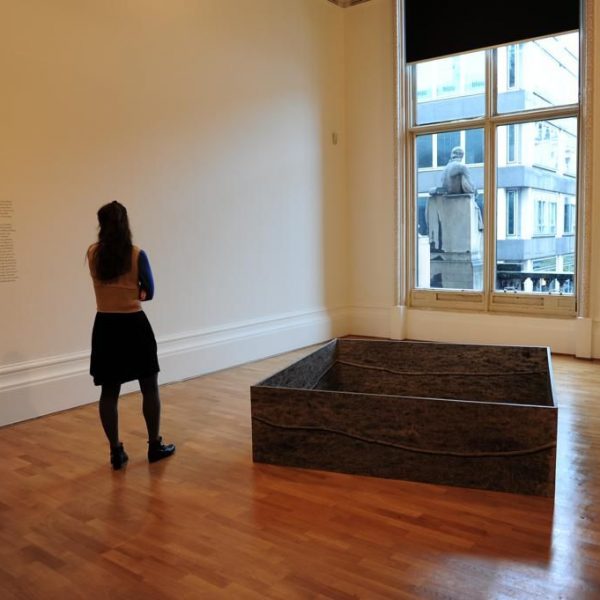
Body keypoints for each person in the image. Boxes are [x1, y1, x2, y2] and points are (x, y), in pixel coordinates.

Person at [87, 201, 175, 470]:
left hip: (105, 327)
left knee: (109, 392)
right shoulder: (137, 254)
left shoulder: (92, 253)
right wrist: (136, 291)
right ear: (125, 223)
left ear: (101, 224)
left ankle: (116, 452)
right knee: (149, 386)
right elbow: (149, 292)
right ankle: (154, 445)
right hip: (134, 326)